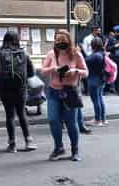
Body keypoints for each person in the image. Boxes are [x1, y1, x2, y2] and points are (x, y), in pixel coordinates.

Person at [41, 29, 88, 162]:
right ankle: (59, 147)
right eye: (57, 40)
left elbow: (86, 72)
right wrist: (53, 69)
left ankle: (75, 150)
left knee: (71, 123)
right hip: (54, 92)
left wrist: (75, 71)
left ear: (68, 41)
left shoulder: (76, 55)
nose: (60, 42)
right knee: (53, 119)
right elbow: (43, 70)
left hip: (70, 92)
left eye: (63, 40)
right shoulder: (51, 54)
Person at [0, 31, 37, 153]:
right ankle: (28, 140)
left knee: (10, 115)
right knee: (21, 114)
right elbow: (31, 73)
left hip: (5, 89)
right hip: (21, 89)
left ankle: (12, 144)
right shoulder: (24, 54)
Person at [85, 37, 107, 126]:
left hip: (93, 79)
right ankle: (103, 118)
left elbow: (84, 61)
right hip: (101, 79)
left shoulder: (94, 56)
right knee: (100, 99)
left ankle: (98, 120)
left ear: (92, 45)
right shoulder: (102, 54)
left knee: (96, 100)